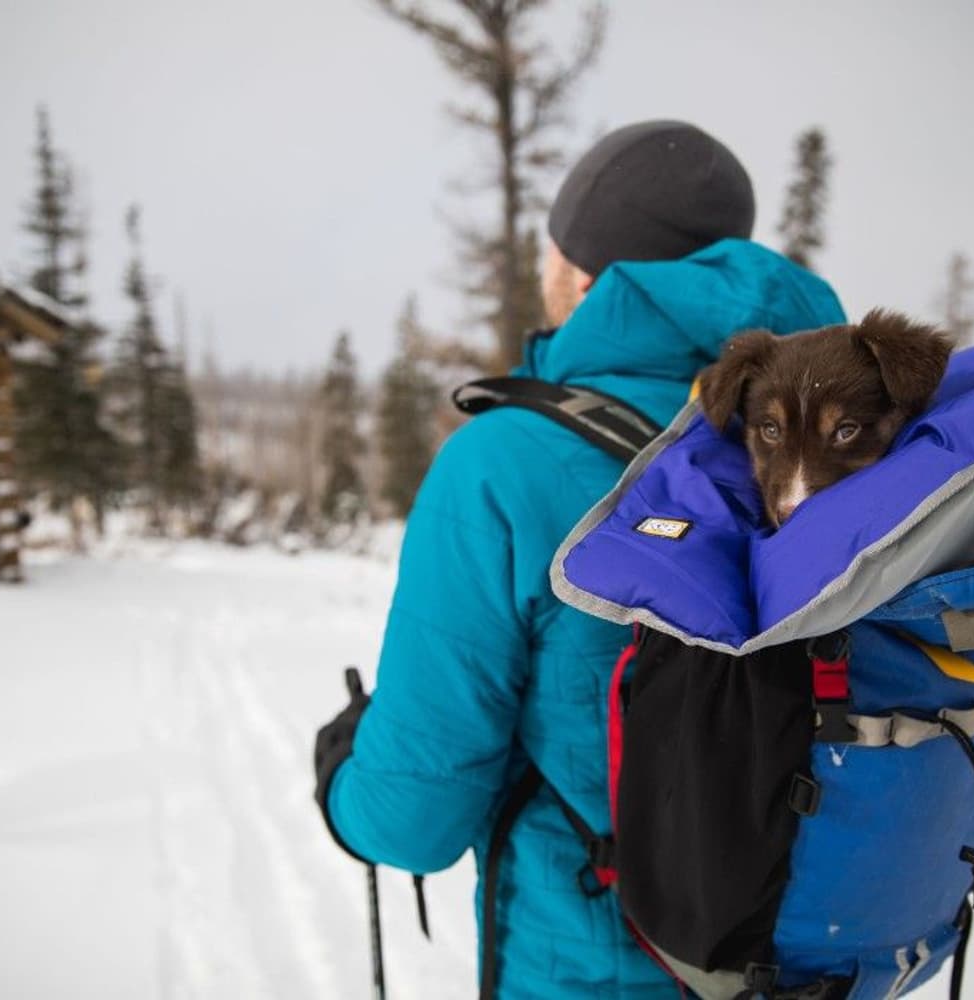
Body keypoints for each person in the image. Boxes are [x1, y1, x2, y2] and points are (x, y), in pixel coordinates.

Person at [313, 120, 846, 997]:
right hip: (818, 969)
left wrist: (342, 769)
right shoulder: (840, 448)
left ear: (584, 274)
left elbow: (412, 820)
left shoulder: (503, 464)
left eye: (552, 247)